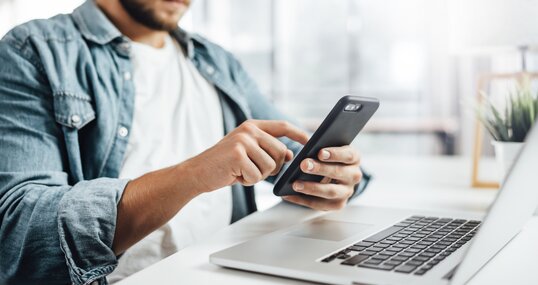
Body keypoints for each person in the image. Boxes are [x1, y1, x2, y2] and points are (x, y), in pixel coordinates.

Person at [0, 0, 370, 284]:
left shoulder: (215, 60)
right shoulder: (34, 49)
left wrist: (331, 177)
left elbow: (295, 159)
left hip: (232, 272)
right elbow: (20, 233)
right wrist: (195, 173)